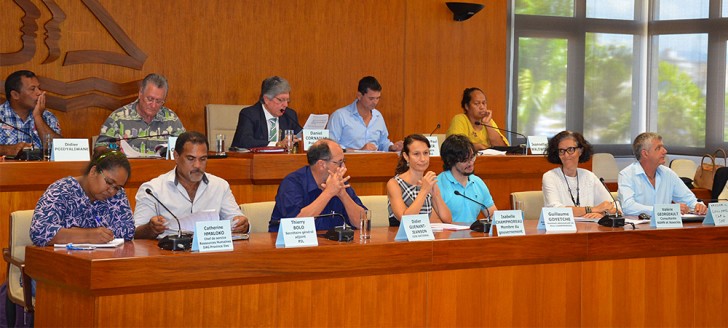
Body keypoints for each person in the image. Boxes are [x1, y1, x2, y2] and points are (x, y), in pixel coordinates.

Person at [134, 131, 250, 239]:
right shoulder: (152, 189)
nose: (197, 165)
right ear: (176, 156)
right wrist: (150, 228)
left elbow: (236, 220)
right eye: (191, 158)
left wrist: (243, 225)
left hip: (211, 253)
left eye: (203, 159)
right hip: (168, 254)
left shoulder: (220, 186)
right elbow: (136, 233)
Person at [30, 149, 134, 246]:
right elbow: (39, 231)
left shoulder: (118, 195)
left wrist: (75, 233)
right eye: (109, 182)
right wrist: (88, 235)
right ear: (93, 171)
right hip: (64, 261)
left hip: (103, 261)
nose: (112, 191)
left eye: (117, 187)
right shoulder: (62, 190)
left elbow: (128, 230)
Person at [269, 138, 366, 232]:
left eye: (343, 162)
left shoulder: (339, 183)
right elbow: (297, 226)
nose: (343, 167)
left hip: (331, 245)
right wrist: (328, 193)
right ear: (321, 164)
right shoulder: (292, 183)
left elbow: (362, 224)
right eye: (339, 163)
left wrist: (343, 195)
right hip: (291, 246)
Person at [618, 132, 707, 216]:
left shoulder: (668, 174)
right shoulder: (626, 175)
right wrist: (665, 210)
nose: (665, 151)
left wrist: (698, 206)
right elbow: (628, 207)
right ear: (645, 153)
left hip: (665, 228)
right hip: (638, 229)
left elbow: (689, 200)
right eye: (658, 148)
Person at [95, 73, 185, 156]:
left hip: (163, 171)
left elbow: (186, 148)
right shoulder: (118, 117)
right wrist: (114, 148)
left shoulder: (171, 119)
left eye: (159, 101)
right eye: (150, 99)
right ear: (140, 93)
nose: (153, 105)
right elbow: (98, 149)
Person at [542, 131, 616, 218]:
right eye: (561, 151)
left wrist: (601, 214)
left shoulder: (589, 176)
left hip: (588, 229)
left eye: (570, 150)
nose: (566, 155)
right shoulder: (550, 177)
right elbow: (556, 211)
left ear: (580, 151)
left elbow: (613, 207)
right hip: (562, 229)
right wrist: (592, 209)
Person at [387, 134, 452, 226]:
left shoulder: (428, 181)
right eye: (416, 154)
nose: (423, 159)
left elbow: (447, 219)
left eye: (426, 153)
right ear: (406, 156)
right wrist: (424, 190)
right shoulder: (394, 184)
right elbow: (405, 220)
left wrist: (436, 194)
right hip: (399, 237)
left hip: (423, 237)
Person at [328, 76, 403, 152]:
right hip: (348, 162)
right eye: (371, 98)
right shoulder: (340, 116)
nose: (375, 102)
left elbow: (383, 142)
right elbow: (331, 147)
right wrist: (359, 151)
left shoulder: (378, 116)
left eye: (378, 98)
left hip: (375, 161)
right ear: (359, 96)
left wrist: (392, 147)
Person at [0, 70, 61, 156]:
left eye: (39, 88)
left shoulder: (47, 116)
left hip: (41, 169)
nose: (39, 93)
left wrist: (38, 117)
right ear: (15, 95)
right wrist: (7, 150)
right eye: (33, 89)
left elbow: (59, 150)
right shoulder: (1, 116)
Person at [437, 134, 496, 223]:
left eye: (472, 157)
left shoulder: (477, 182)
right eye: (464, 160)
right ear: (450, 160)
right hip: (448, 235)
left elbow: (492, 214)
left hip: (473, 235)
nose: (470, 163)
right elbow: (434, 223)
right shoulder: (437, 184)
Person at [231, 76, 302, 149]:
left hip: (283, 160)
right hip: (256, 159)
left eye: (287, 100)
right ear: (266, 99)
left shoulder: (290, 115)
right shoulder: (249, 114)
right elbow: (245, 141)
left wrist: (298, 139)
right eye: (281, 100)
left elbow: (300, 136)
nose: (285, 105)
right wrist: (277, 144)